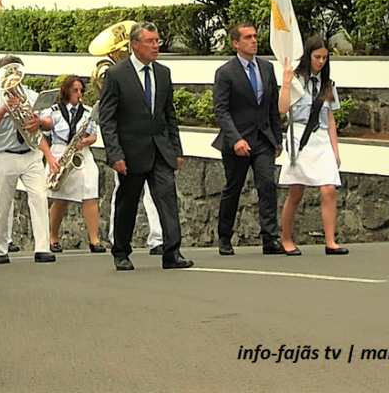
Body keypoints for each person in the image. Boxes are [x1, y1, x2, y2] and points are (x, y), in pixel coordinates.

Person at [98, 21, 192, 271]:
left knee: (167, 199)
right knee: (127, 203)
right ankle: (121, 252)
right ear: (135, 44)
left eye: (157, 40)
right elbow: (107, 119)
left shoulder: (162, 73)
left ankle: (172, 252)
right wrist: (114, 153)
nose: (155, 46)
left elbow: (168, 114)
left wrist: (176, 149)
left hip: (160, 149)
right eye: (150, 41)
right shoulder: (117, 75)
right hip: (130, 153)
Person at [212, 23, 284, 256]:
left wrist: (277, 137)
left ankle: (270, 237)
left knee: (267, 185)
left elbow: (272, 105)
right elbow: (221, 110)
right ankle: (224, 237)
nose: (254, 40)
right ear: (236, 43)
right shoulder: (225, 72)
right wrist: (235, 139)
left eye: (254, 36)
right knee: (233, 188)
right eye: (247, 37)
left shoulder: (266, 68)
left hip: (263, 138)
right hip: (238, 141)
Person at [0, 55, 59, 264]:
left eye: (16, 74)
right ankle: (0, 248)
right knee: (1, 205)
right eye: (8, 74)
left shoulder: (32, 96)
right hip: (4, 155)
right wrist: (4, 110)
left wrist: (39, 122)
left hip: (31, 153)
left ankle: (42, 248)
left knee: (39, 198)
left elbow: (50, 121)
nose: (12, 80)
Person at [278, 36, 348, 256]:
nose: (321, 61)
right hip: (299, 138)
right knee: (296, 192)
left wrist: (336, 151)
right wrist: (287, 83)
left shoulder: (327, 85)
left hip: (321, 139)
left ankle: (330, 241)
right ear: (308, 56)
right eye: (317, 57)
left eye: (325, 58)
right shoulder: (296, 80)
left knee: (328, 189)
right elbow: (282, 108)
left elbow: (330, 119)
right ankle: (286, 238)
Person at [40, 76, 105, 253]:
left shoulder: (88, 112)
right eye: (75, 90)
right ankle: (53, 238)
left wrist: (86, 142)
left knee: (90, 194)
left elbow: (92, 134)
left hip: (81, 154)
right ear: (66, 91)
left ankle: (94, 240)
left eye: (81, 91)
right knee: (60, 199)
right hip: (60, 152)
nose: (79, 94)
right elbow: (45, 125)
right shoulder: (53, 111)